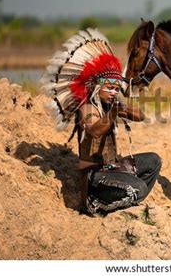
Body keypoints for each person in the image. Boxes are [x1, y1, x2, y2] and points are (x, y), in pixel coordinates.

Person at [41, 28, 161, 216]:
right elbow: (95, 131)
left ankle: (128, 197)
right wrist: (113, 112)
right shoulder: (86, 108)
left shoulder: (110, 105)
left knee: (153, 161)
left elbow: (140, 116)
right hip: (96, 178)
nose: (113, 92)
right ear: (97, 87)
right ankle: (98, 204)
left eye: (115, 88)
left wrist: (121, 107)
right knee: (138, 187)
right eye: (109, 88)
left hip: (113, 167)